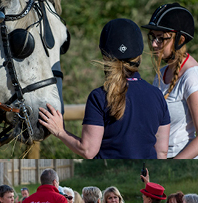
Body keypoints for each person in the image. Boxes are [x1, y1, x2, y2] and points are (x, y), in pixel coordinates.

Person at [38, 18, 170, 159]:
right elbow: (161, 152)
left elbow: (88, 151)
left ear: (105, 56)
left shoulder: (99, 96)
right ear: (139, 55)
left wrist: (60, 132)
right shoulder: (157, 95)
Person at [143, 3, 198, 159]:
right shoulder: (161, 73)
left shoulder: (192, 77)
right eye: (153, 37)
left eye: (160, 38)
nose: (154, 44)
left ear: (180, 39)